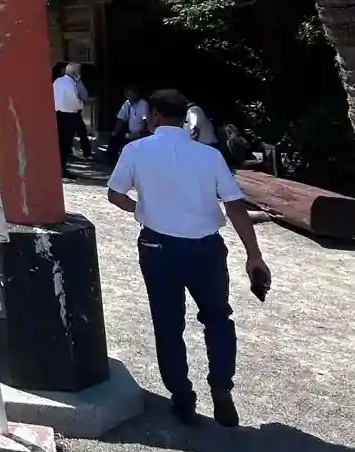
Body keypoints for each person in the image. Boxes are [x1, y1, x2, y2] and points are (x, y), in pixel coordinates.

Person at [106, 86, 271, 427]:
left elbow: (115, 194)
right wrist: (253, 255)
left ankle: (183, 398)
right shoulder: (209, 156)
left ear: (155, 116)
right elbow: (235, 206)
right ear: (183, 118)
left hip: (157, 246)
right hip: (206, 248)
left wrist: (143, 210)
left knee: (168, 325)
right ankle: (221, 387)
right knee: (218, 318)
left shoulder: (136, 150)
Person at [53, 64, 85, 169]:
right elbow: (75, 103)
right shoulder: (71, 84)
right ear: (75, 73)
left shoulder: (58, 81)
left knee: (59, 142)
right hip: (69, 115)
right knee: (66, 143)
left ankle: (59, 167)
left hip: (57, 114)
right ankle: (62, 168)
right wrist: (81, 104)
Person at [110, 84, 150, 161]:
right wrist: (114, 133)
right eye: (128, 95)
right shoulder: (127, 104)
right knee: (115, 140)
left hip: (141, 134)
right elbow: (121, 119)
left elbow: (145, 121)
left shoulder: (143, 104)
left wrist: (140, 133)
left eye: (132, 95)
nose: (130, 97)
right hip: (130, 133)